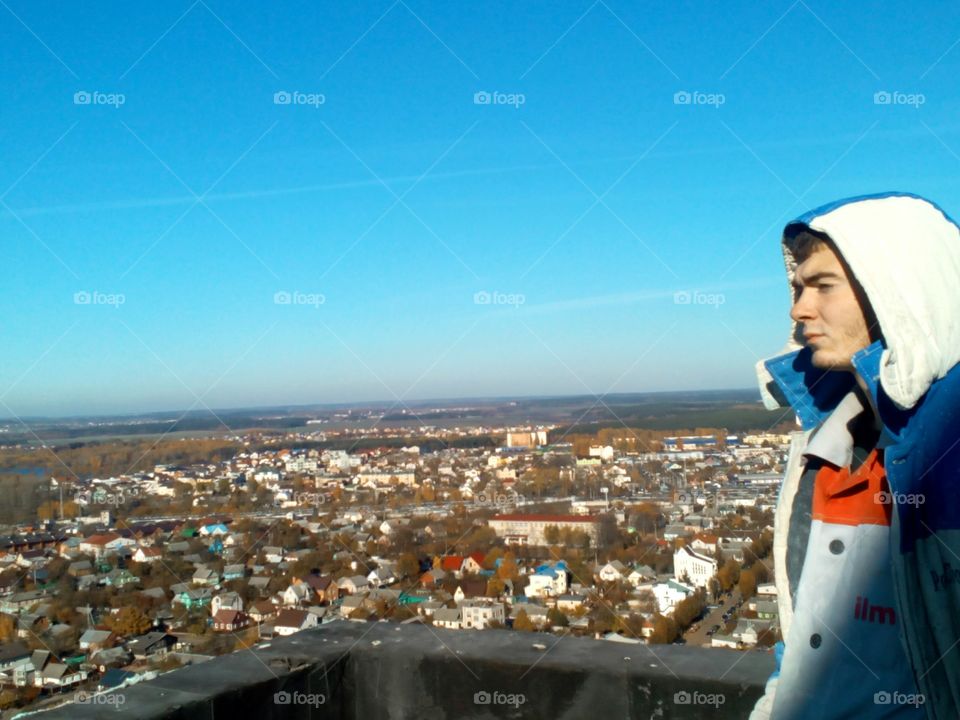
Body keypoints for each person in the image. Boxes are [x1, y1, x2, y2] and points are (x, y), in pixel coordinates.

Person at [749, 193, 960, 719]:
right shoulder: (821, 447)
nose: (798, 309)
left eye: (822, 286)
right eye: (798, 288)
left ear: (900, 291)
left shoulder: (948, 453)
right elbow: (804, 640)